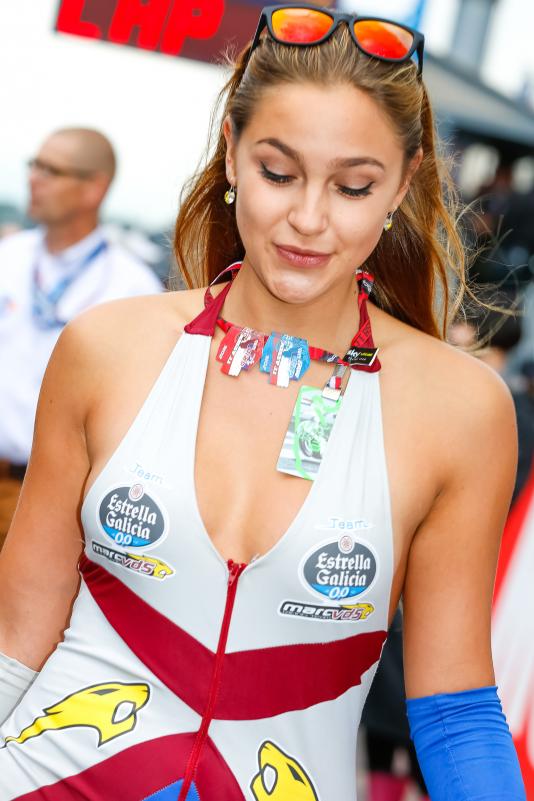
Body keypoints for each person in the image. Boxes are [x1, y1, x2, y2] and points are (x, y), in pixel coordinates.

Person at [0, 7, 526, 800]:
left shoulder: (462, 409)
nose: (308, 219)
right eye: (278, 172)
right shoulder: (106, 346)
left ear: (403, 182)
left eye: (353, 186)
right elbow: (16, 638)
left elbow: (455, 711)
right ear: (232, 153)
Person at [0, 128, 162, 544]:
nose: (34, 178)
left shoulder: (132, 287)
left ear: (95, 188)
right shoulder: (8, 256)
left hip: (54, 498)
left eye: (51, 170)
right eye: (34, 165)